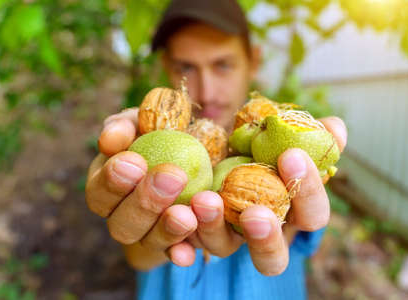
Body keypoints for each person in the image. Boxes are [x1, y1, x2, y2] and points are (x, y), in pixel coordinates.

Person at [85, 0, 347, 299]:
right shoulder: (148, 138)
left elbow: (305, 234)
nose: (206, 92)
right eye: (186, 67)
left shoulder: (280, 142)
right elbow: (139, 257)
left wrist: (287, 217)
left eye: (222, 64)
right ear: (167, 68)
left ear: (254, 61)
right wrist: (135, 211)